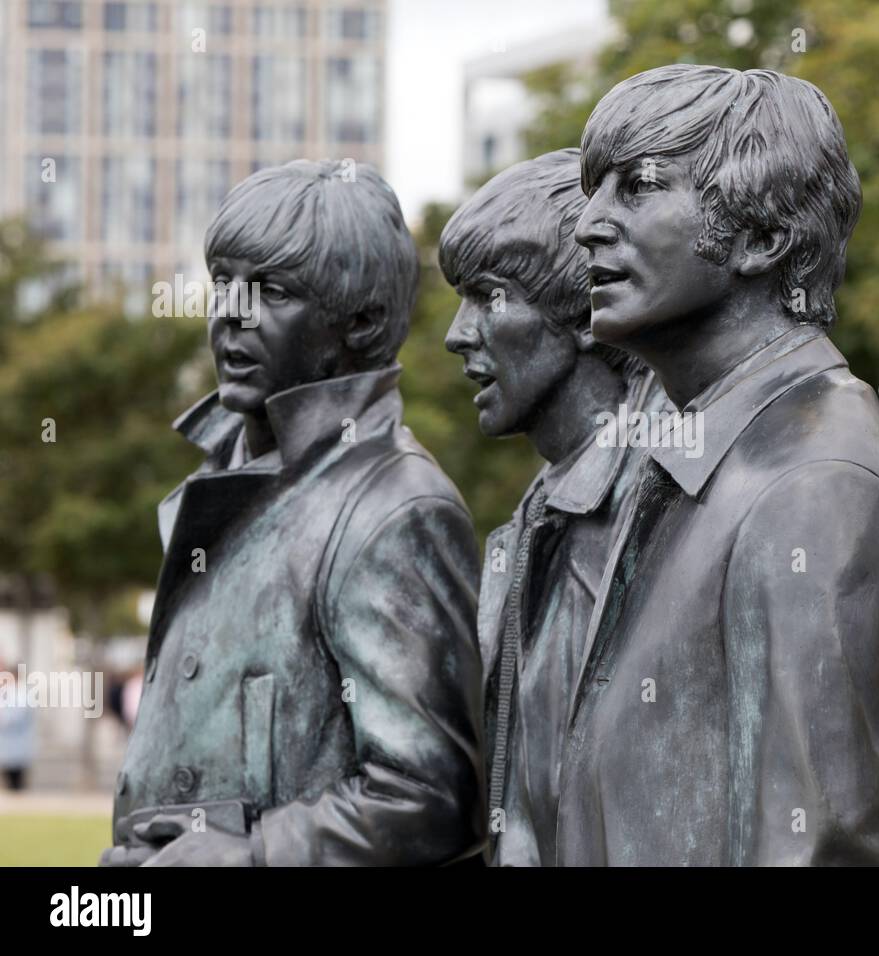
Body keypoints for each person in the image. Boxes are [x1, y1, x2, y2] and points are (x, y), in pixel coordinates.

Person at [557, 64, 879, 866]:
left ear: (763, 237)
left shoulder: (817, 487)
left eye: (636, 189)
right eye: (591, 190)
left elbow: (823, 847)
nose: (586, 225)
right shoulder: (704, 453)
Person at [102, 160, 484, 866]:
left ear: (362, 323)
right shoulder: (226, 478)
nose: (230, 315)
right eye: (224, 284)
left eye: (271, 291)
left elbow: (431, 800)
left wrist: (245, 858)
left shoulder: (396, 509)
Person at [443, 148, 666, 866]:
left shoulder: (661, 515)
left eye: (487, 296)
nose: (456, 333)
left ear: (581, 309)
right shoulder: (530, 524)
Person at [0, 660, 36, 791]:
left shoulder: (23, 692)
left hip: (18, 742)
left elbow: (18, 715)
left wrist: (5, 720)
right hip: (7, 743)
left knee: (17, 778)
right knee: (9, 776)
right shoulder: (6, 690)